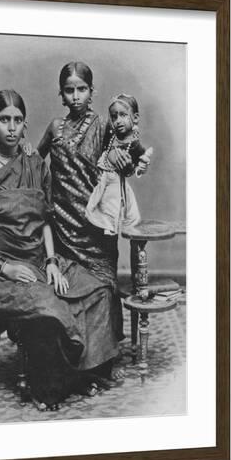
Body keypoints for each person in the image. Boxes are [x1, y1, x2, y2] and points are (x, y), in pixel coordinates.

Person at [0, 89, 122, 410]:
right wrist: (3, 267)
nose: (11, 127)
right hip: (0, 268)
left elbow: (45, 219)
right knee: (49, 308)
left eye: (17, 120)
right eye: (3, 120)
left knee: (99, 290)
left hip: (40, 258)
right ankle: (53, 387)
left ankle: (81, 373)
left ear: (25, 125)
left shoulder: (34, 163)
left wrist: (51, 261)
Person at [37, 62, 148, 381]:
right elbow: (34, 161)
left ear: (91, 91)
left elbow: (127, 158)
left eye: (81, 89)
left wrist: (121, 159)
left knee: (102, 289)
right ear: (61, 94)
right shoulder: (55, 127)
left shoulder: (104, 126)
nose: (75, 96)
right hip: (62, 230)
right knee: (66, 292)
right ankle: (74, 361)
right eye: (69, 90)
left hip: (95, 230)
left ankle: (101, 361)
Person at [85, 94, 153, 234]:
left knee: (112, 211)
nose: (118, 121)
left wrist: (141, 167)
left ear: (135, 118)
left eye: (123, 115)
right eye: (114, 117)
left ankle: (110, 233)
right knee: (97, 208)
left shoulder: (134, 145)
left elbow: (136, 169)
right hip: (103, 182)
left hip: (116, 185)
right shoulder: (111, 136)